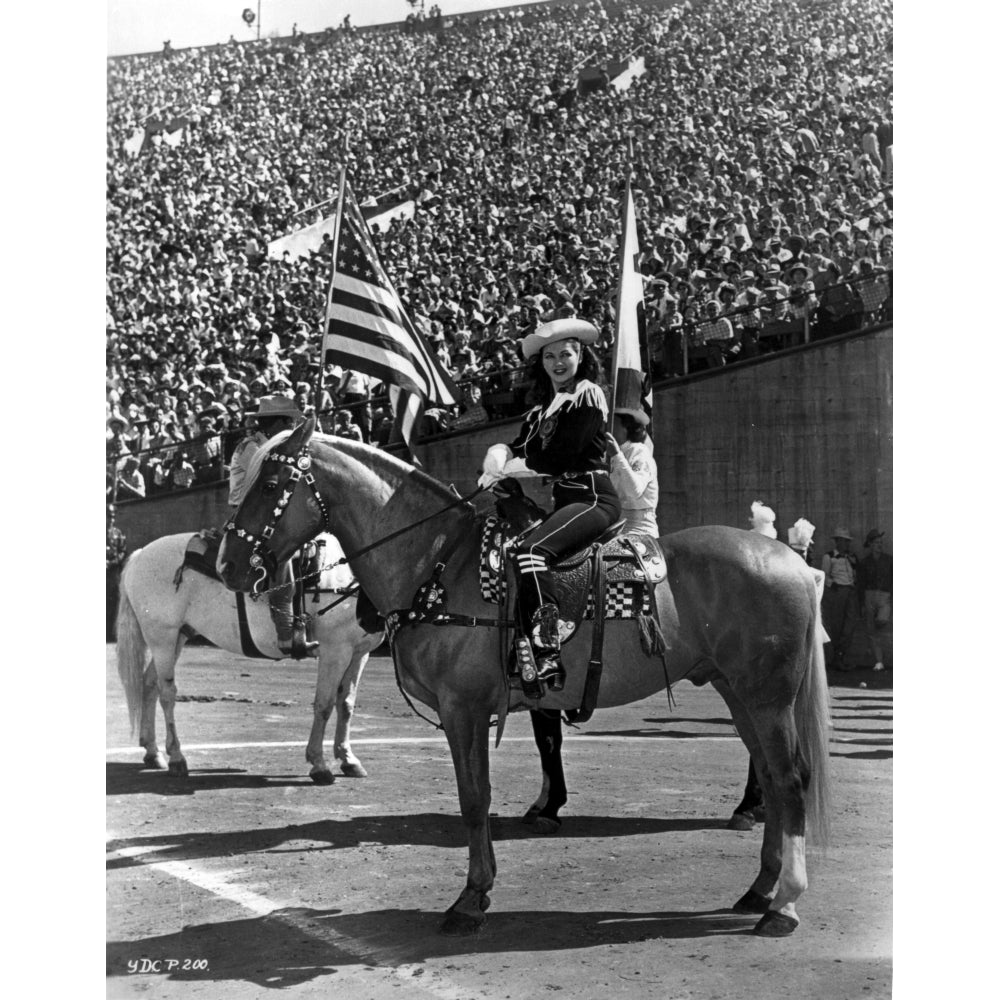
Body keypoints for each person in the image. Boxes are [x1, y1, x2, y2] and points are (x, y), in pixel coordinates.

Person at [477, 318, 622, 691]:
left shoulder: (589, 394)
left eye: (567, 354)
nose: (559, 362)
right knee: (514, 550)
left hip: (593, 498)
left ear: (581, 357)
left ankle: (547, 653)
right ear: (541, 364)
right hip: (566, 502)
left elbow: (559, 456)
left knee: (531, 551)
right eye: (550, 356)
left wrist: (509, 467)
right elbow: (521, 445)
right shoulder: (544, 409)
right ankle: (523, 644)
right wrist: (498, 456)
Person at [228, 395, 318, 659]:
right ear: (276, 422)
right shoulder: (252, 447)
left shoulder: (273, 444)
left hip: (267, 512)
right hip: (246, 514)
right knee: (281, 555)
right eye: (289, 421)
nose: (292, 425)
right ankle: (285, 633)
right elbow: (265, 486)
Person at [605, 409, 658, 536]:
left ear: (626, 429)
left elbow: (634, 491)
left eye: (615, 424)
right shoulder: (615, 454)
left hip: (639, 528)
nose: (608, 428)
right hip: (616, 524)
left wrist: (617, 456)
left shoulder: (639, 452)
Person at [820, 526, 860, 669]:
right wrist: (833, 585)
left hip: (850, 591)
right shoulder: (829, 556)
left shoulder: (852, 557)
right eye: (843, 541)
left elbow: (855, 572)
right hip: (837, 591)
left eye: (847, 541)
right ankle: (834, 659)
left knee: (849, 625)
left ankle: (841, 656)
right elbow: (824, 575)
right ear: (837, 542)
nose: (846, 544)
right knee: (836, 625)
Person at [857, 529, 892, 671]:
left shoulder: (889, 560)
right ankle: (879, 661)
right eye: (876, 543)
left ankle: (884, 656)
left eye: (881, 543)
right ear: (870, 544)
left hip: (884, 595)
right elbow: (860, 584)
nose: (879, 545)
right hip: (869, 595)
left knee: (882, 620)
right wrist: (862, 604)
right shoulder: (865, 562)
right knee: (871, 631)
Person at [107, 505, 127, 641]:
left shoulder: (118, 534)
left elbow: (123, 552)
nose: (110, 519)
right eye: (108, 516)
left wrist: (111, 562)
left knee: (113, 602)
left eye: (112, 517)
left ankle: (110, 634)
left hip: (112, 573)